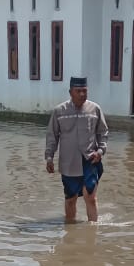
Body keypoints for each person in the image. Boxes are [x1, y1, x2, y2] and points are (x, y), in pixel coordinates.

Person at [45, 76, 109, 222]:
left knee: (90, 196)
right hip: (69, 162)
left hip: (90, 159)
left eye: (84, 91)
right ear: (70, 92)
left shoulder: (95, 109)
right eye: (78, 91)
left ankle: (93, 232)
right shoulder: (59, 111)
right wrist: (49, 157)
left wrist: (100, 151)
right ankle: (70, 229)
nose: (82, 94)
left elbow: (103, 132)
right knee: (70, 199)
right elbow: (52, 136)